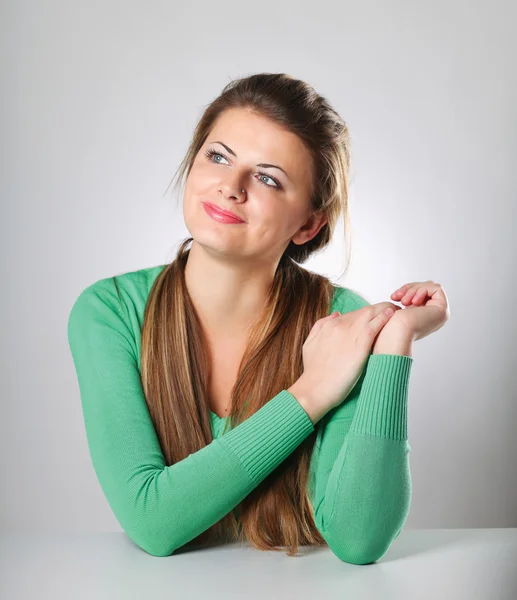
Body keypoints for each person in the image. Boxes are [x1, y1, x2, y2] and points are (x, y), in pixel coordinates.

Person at [67, 72, 449, 563]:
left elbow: (359, 541)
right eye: (218, 156)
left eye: (268, 178)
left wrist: (394, 341)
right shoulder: (109, 311)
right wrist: (312, 392)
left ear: (309, 224)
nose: (230, 187)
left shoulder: (344, 319)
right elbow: (152, 521)